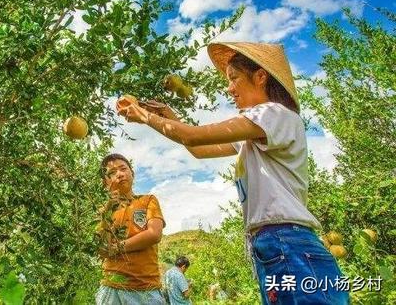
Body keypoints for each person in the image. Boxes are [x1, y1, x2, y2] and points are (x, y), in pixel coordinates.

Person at [117, 42, 349, 304]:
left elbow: (193, 137)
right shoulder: (258, 130)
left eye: (234, 78)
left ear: (260, 77)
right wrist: (169, 116)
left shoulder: (273, 114)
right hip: (276, 243)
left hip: (286, 242)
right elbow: (199, 149)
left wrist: (146, 117)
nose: (229, 88)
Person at [96, 153, 167, 305]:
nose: (119, 174)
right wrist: (108, 208)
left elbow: (154, 234)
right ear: (105, 182)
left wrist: (117, 247)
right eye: (112, 173)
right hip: (110, 288)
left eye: (123, 169)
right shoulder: (104, 211)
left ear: (132, 173)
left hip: (145, 289)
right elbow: (101, 249)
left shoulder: (148, 201)